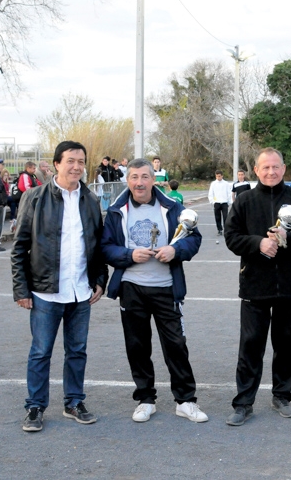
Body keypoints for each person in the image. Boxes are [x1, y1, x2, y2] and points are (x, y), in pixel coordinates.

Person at [11, 140, 108, 432]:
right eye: (70, 161)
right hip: (44, 292)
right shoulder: (35, 197)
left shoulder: (90, 200)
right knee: (41, 351)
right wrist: (21, 289)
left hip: (81, 292)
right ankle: (35, 407)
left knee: (77, 350)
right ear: (57, 163)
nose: (76, 166)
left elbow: (98, 246)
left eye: (81, 161)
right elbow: (20, 248)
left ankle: (74, 402)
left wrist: (100, 280)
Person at [101, 158, 207, 423]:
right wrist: (128, 254)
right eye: (134, 177)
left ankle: (185, 400)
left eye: (145, 177)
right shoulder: (116, 210)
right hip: (131, 288)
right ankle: (145, 399)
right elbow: (105, 247)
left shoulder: (172, 207)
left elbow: (194, 239)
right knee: (137, 346)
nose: (139, 182)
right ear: (128, 180)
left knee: (176, 345)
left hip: (166, 288)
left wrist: (175, 250)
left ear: (154, 179)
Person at [223, 147, 291, 426]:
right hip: (255, 286)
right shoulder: (244, 201)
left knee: (286, 344)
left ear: (284, 168)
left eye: (275, 167)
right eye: (265, 167)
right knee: (251, 345)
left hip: (289, 287)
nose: (271, 172)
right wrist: (258, 243)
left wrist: (288, 238)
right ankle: (243, 402)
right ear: (256, 170)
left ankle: (282, 396)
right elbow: (231, 238)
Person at [208, 170, 232, 235]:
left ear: (222, 176)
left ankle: (226, 229)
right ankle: (219, 229)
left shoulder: (226, 183)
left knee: (225, 217)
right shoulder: (213, 184)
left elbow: (229, 193)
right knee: (217, 217)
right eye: (217, 176)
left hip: (224, 202)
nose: (218, 178)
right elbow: (211, 193)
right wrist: (212, 202)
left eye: (219, 176)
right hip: (217, 203)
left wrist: (229, 202)